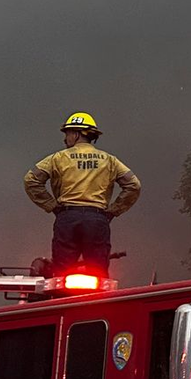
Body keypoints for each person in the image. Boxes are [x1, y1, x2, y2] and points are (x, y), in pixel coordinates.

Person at [23, 112, 142, 276]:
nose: (65, 139)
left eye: (68, 133)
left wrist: (52, 206)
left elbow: (31, 180)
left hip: (67, 219)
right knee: (98, 277)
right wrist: (114, 210)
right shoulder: (109, 160)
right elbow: (133, 185)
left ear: (77, 134)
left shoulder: (57, 158)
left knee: (61, 278)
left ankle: (63, 301)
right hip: (97, 221)